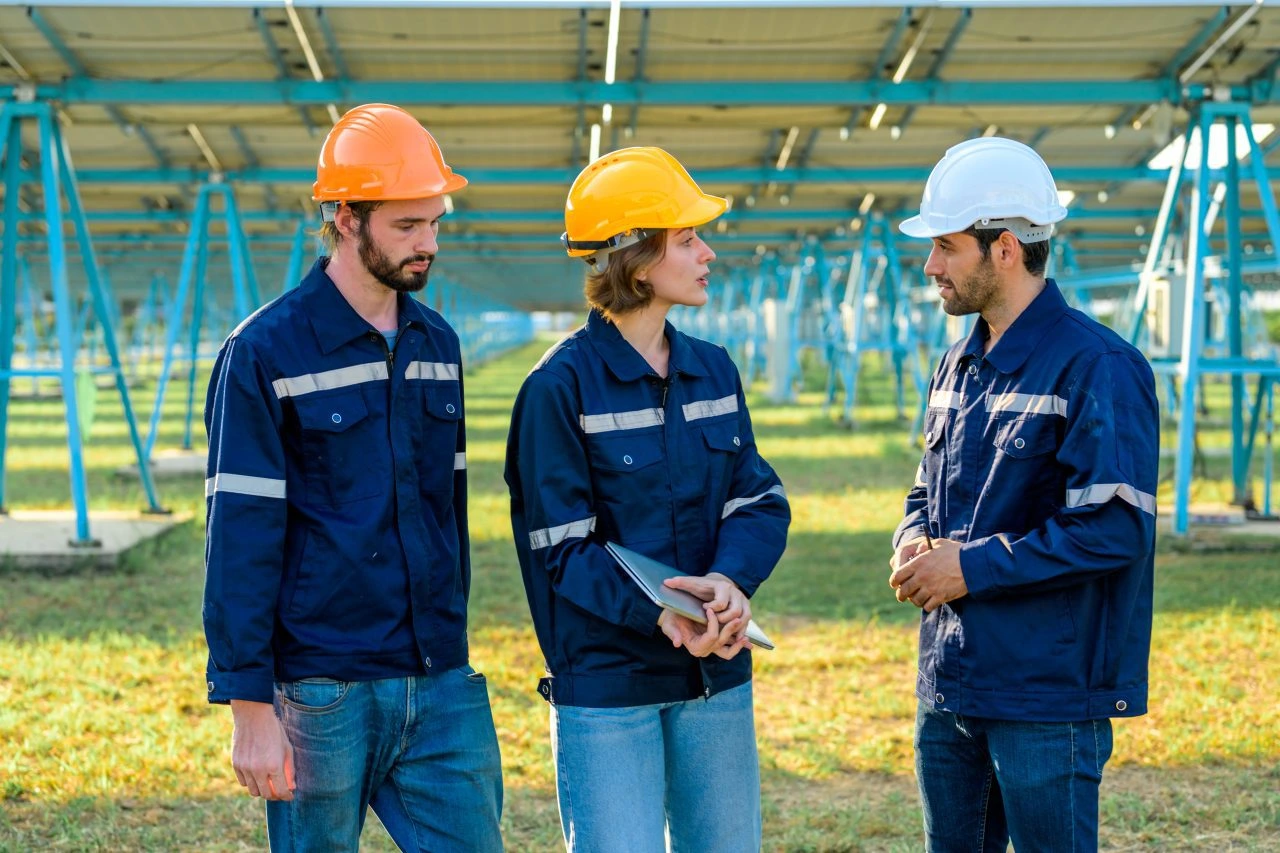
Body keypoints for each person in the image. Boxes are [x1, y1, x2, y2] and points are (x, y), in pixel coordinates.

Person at [202, 103, 502, 852]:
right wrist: (249, 706)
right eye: (407, 226)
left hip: (439, 681)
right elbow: (240, 536)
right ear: (344, 216)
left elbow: (448, 509)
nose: (428, 244)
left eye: (435, 222)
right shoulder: (266, 351)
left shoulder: (439, 344)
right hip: (321, 691)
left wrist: (451, 638)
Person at [504, 146, 790, 852]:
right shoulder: (557, 389)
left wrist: (728, 582)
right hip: (609, 685)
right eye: (688, 238)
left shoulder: (713, 370)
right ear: (636, 260)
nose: (707, 252)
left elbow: (757, 498)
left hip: (715, 673)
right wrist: (664, 611)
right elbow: (562, 550)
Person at [888, 136, 1159, 852]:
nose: (931, 266)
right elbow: (928, 486)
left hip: (1045, 693)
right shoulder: (957, 361)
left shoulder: (1098, 366)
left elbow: (1115, 527)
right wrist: (914, 537)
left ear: (1004, 248)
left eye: (946, 247)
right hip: (951, 681)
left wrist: (969, 567)